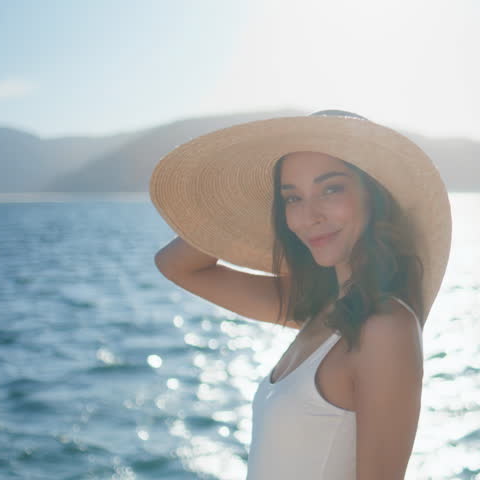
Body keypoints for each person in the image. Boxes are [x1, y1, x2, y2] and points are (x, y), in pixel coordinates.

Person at [150, 109, 451, 479]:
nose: (310, 216)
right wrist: (245, 205)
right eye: (292, 198)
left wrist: (280, 201)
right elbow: (174, 264)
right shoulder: (321, 307)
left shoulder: (384, 329)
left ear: (373, 194)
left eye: (331, 189)